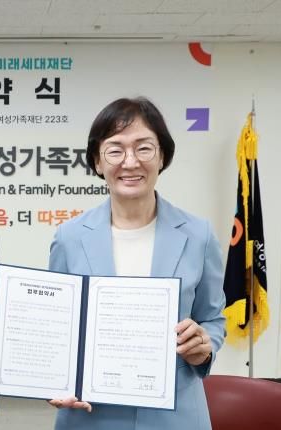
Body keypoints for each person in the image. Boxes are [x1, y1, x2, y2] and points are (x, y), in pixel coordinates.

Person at [47, 97, 225, 430]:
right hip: (90, 414)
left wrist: (204, 345)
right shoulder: (69, 237)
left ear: (162, 156)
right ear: (97, 162)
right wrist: (50, 380)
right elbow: (55, 327)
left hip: (174, 414)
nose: (130, 162)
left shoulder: (198, 235)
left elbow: (213, 318)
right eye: (115, 150)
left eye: (144, 148)